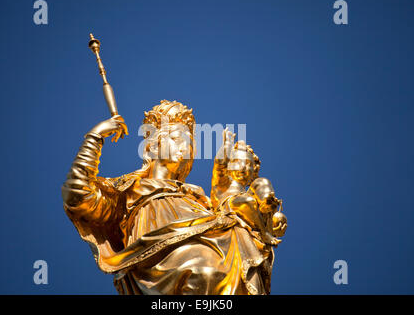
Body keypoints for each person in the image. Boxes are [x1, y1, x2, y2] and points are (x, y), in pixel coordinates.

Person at [62, 100, 275, 294]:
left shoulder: (199, 200)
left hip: (210, 242)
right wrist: (95, 137)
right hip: (162, 258)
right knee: (204, 271)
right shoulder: (129, 191)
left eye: (190, 142)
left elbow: (229, 207)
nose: (186, 147)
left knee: (246, 266)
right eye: (176, 139)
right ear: (153, 147)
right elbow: (77, 194)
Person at [211, 128, 282, 246]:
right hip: (226, 207)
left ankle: (267, 204)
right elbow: (220, 163)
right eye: (237, 161)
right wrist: (228, 143)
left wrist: (276, 223)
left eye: (248, 164)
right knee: (247, 201)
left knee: (262, 182)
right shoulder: (223, 181)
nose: (243, 167)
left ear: (254, 171)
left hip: (251, 209)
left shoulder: (252, 188)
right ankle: (264, 233)